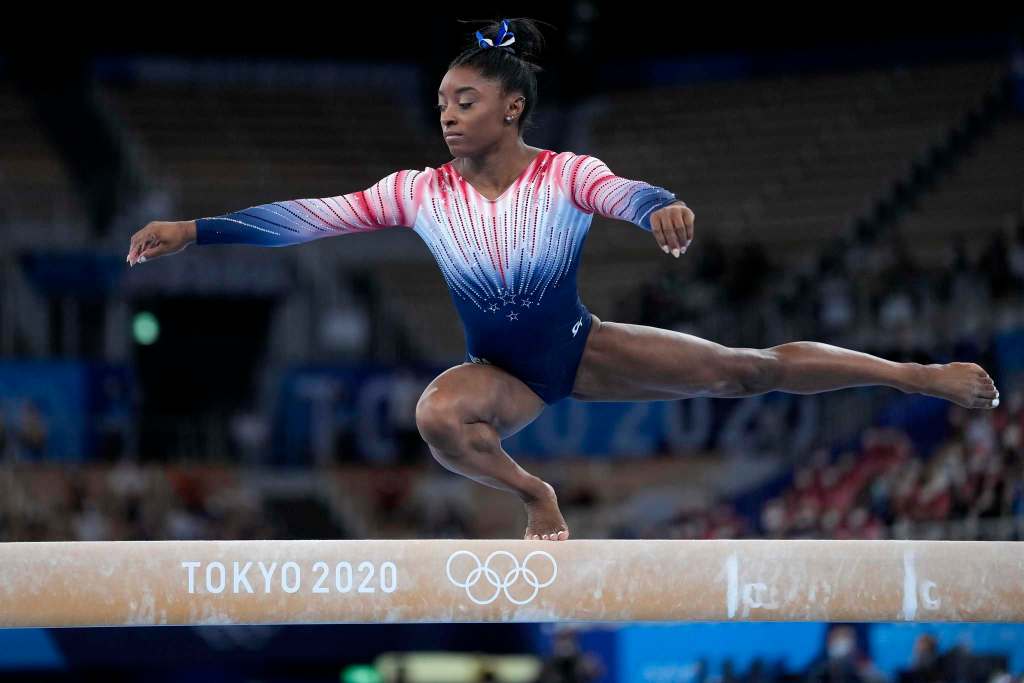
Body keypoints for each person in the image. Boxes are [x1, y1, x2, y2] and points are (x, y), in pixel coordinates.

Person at [126, 17, 1001, 542]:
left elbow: (620, 191)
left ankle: (914, 374)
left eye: (464, 102)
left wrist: (658, 205)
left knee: (747, 369)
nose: (446, 116)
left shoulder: (563, 174)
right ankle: (534, 494)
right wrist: (194, 230)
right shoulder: (417, 192)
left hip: (579, 349)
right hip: (503, 377)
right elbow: (307, 216)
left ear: (511, 108)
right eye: (441, 103)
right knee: (437, 415)